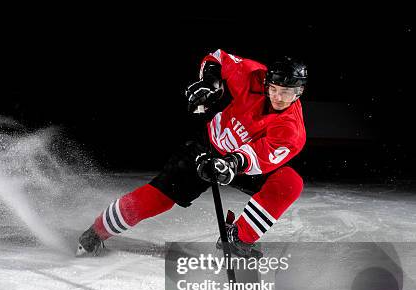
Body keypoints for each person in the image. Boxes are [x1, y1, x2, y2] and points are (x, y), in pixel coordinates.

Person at [76, 49, 307, 258]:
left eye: (286, 93)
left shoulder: (292, 130)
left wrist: (231, 163)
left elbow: (258, 156)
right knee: (157, 199)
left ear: (299, 92)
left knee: (289, 183)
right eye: (273, 89)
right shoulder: (254, 76)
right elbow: (217, 58)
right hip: (206, 147)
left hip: (241, 166)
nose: (278, 97)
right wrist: (211, 82)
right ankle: (96, 232)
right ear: (267, 82)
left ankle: (238, 238)